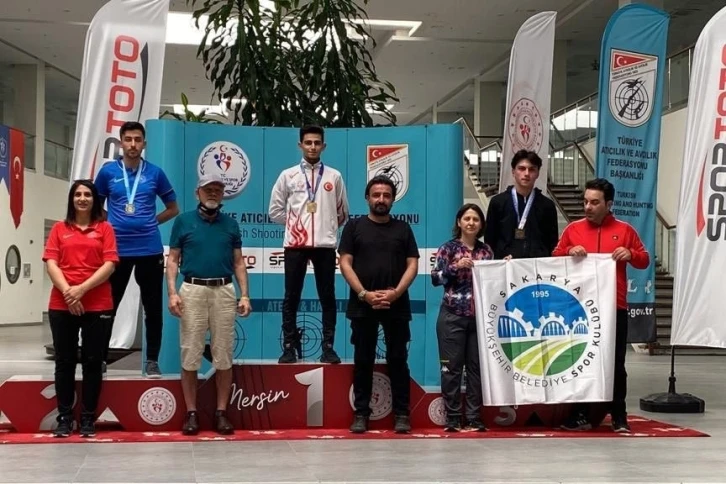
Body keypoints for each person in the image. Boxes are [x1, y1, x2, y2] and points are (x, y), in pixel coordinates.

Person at [552, 178, 649, 433]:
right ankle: (580, 413)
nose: (588, 207)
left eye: (594, 202)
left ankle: (619, 415)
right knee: (580, 359)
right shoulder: (573, 229)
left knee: (616, 363)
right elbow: (554, 256)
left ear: (609, 204)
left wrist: (631, 254)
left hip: (615, 308)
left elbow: (644, 260)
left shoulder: (625, 230)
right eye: (585, 201)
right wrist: (569, 251)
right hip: (580, 309)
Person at [166, 174, 252, 435]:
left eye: (217, 189)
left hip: (224, 291)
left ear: (223, 194)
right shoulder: (183, 221)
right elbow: (173, 260)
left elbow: (238, 262)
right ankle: (191, 413)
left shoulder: (231, 224)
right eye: (208, 189)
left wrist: (244, 295)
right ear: (198, 193)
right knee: (190, 353)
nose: (213, 193)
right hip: (192, 290)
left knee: (223, 354)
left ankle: (221, 412)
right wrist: (172, 293)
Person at [94, 121, 179, 378]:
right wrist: (111, 223)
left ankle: (152, 361)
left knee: (153, 309)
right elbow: (95, 207)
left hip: (149, 250)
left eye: (137, 140)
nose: (133, 144)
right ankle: (99, 359)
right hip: (116, 251)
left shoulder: (155, 173)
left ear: (144, 144)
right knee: (108, 307)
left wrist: (151, 222)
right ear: (121, 142)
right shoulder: (108, 173)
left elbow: (173, 209)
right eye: (128, 139)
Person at [338, 175, 419, 434]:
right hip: (363, 304)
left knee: (398, 359)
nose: (381, 199)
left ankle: (402, 414)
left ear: (393, 200)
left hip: (397, 304)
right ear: (367, 198)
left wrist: (396, 293)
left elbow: (413, 264)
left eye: (386, 195)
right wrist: (364, 294)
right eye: (376, 195)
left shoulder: (403, 229)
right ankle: (361, 413)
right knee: (363, 360)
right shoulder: (354, 227)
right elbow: (345, 263)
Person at [43, 180, 118, 438]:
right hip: (62, 304)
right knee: (64, 361)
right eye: (78, 194)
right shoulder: (59, 229)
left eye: (87, 194)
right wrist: (69, 293)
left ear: (95, 200)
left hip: (98, 304)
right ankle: (64, 418)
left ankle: (88, 418)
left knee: (93, 362)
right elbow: (51, 263)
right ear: (71, 199)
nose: (82, 198)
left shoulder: (105, 228)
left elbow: (109, 264)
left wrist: (81, 290)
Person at [269, 125, 349, 364]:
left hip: (325, 246)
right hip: (295, 245)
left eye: (317, 143)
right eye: (308, 142)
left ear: (323, 146)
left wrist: (326, 227)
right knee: (291, 297)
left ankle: (328, 347)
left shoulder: (334, 176)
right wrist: (296, 225)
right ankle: (289, 347)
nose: (312, 147)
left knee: (327, 297)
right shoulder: (288, 175)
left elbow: (342, 212)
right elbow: (275, 211)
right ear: (300, 145)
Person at [431, 204, 493, 432]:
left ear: (481, 224)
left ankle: (474, 416)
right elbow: (435, 278)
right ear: (459, 222)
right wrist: (455, 267)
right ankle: (453, 417)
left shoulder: (486, 251)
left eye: (475, 219)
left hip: (479, 318)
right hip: (452, 315)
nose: (471, 223)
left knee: (476, 369)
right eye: (467, 218)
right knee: (451, 369)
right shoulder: (448, 248)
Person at [485, 150, 558, 260]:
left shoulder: (547, 205)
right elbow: (490, 239)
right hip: (507, 264)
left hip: (537, 265)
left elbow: (552, 242)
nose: (527, 173)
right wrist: (500, 257)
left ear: (538, 173)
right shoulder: (498, 202)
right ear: (513, 171)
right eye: (521, 168)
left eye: (532, 169)